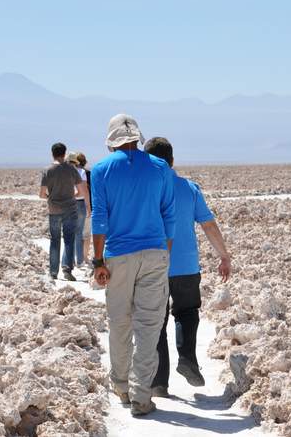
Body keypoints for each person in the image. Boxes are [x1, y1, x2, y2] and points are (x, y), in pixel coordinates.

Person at [91, 114, 176, 417]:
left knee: (120, 321)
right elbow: (169, 213)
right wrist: (163, 251)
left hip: (117, 256)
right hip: (154, 253)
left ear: (111, 139)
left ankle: (122, 385)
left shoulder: (100, 170)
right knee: (149, 326)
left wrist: (98, 260)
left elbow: (99, 216)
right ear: (138, 137)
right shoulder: (160, 168)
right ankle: (142, 396)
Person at [144, 137, 232, 398]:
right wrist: (224, 256)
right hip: (185, 264)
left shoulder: (144, 190)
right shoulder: (189, 188)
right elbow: (208, 225)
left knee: (155, 322)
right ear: (172, 160)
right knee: (186, 313)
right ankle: (187, 358)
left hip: (152, 265)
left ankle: (158, 383)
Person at [39, 143, 89, 281]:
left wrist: (51, 197)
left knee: (54, 240)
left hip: (54, 210)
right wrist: (72, 195)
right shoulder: (72, 169)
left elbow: (42, 194)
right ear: (64, 153)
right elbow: (80, 191)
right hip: (70, 209)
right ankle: (67, 269)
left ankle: (53, 272)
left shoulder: (47, 170)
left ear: (52, 153)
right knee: (69, 239)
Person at [61, 152, 90, 269]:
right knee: (78, 233)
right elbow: (84, 192)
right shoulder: (81, 172)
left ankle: (67, 261)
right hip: (79, 204)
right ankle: (79, 261)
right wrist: (88, 207)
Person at [74, 152, 93, 263]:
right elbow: (90, 192)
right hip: (86, 205)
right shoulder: (89, 174)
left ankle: (76, 258)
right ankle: (84, 257)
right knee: (86, 234)